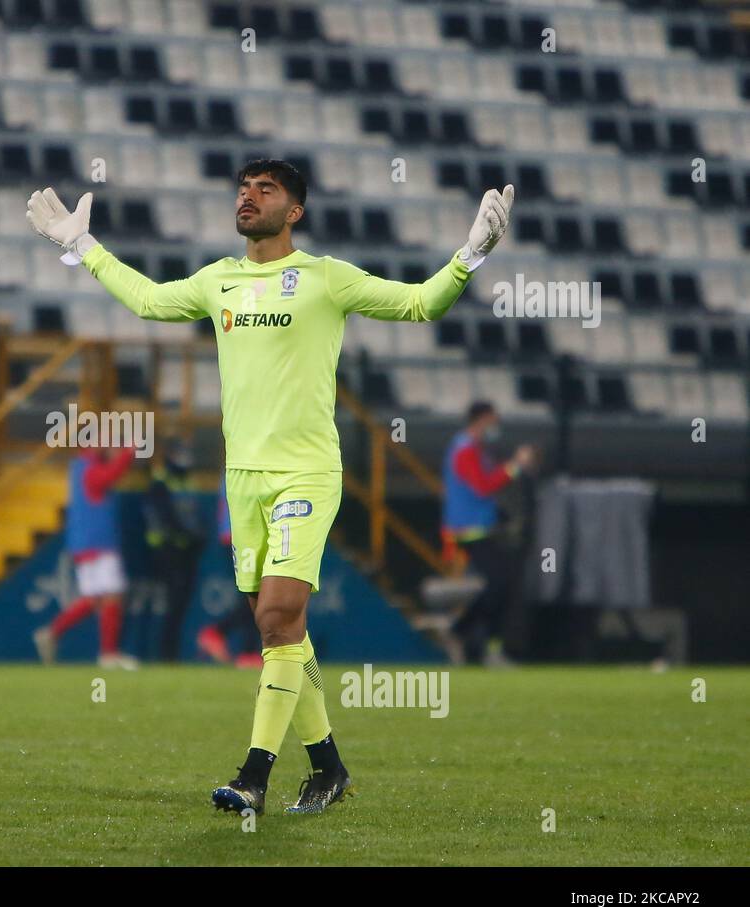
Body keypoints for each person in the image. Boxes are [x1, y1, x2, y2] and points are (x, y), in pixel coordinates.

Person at [28, 159, 515, 814]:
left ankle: (253, 777)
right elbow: (147, 299)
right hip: (243, 481)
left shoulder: (324, 278)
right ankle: (329, 769)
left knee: (277, 615)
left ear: (295, 212)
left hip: (306, 473)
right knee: (281, 633)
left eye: (267, 189)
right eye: (243, 187)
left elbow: (421, 304)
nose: (249, 196)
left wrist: (470, 256)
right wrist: (81, 247)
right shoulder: (218, 281)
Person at [442, 401, 535, 667]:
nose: (496, 426)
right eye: (493, 420)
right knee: (501, 583)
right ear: (481, 420)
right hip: (468, 530)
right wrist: (514, 466)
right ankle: (465, 634)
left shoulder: (474, 450)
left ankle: (476, 640)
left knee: (503, 584)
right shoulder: (464, 450)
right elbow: (482, 487)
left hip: (478, 528)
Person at [33, 442, 140, 670]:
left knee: (94, 598)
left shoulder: (79, 466)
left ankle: (53, 632)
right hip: (98, 543)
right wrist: (128, 453)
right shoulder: (90, 468)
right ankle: (108, 654)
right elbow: (109, 476)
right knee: (112, 595)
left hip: (85, 545)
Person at [141, 440, 204, 660]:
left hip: (186, 552)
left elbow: (194, 515)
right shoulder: (161, 483)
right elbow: (166, 517)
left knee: (179, 605)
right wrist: (190, 534)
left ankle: (171, 654)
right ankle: (164, 654)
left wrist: (196, 537)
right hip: (166, 552)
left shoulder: (187, 482)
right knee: (170, 604)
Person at [197, 474, 264, 668]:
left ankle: (247, 651)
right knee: (253, 594)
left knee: (253, 593)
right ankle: (219, 634)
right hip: (241, 536)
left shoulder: (235, 468)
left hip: (237, 536)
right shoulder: (241, 469)